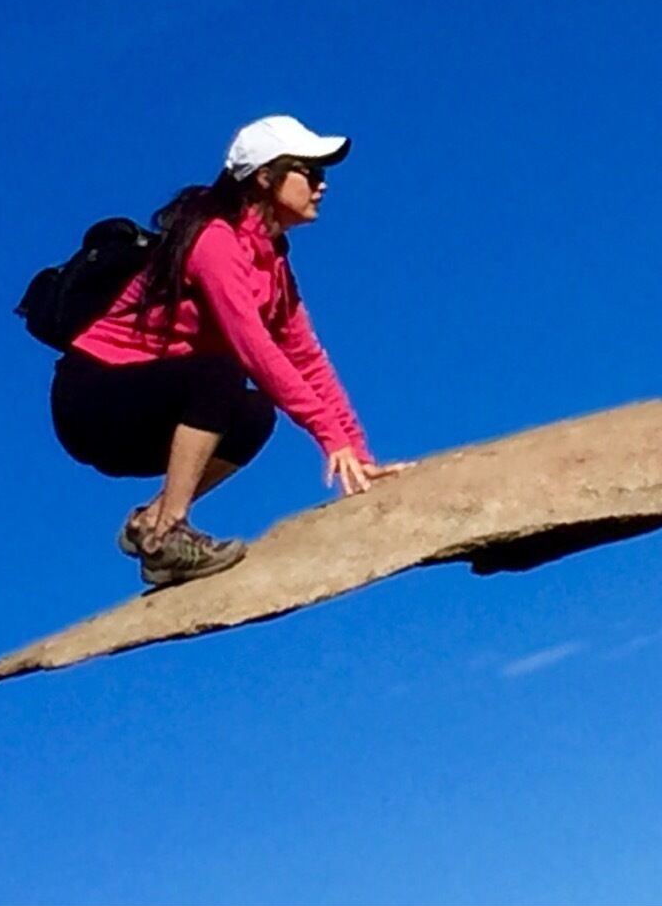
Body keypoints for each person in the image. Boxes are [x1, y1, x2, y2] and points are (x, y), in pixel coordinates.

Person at [50, 115, 401, 585]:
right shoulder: (214, 242)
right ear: (264, 177)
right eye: (310, 173)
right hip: (92, 401)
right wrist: (326, 436)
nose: (322, 186)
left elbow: (307, 358)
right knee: (223, 373)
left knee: (255, 413)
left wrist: (355, 452)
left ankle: (151, 523)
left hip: (152, 408)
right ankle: (169, 536)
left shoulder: (272, 262)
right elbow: (253, 348)